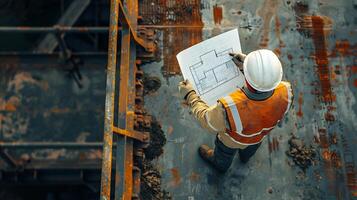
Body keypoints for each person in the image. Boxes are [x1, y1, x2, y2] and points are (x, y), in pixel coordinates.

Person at [178, 49, 293, 173]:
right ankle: (244, 158)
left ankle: (220, 166)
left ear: (247, 80)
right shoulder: (287, 90)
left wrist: (190, 95)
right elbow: (263, 87)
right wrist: (247, 67)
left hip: (231, 142)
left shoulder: (230, 107)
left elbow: (207, 122)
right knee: (249, 150)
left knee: (224, 156)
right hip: (258, 138)